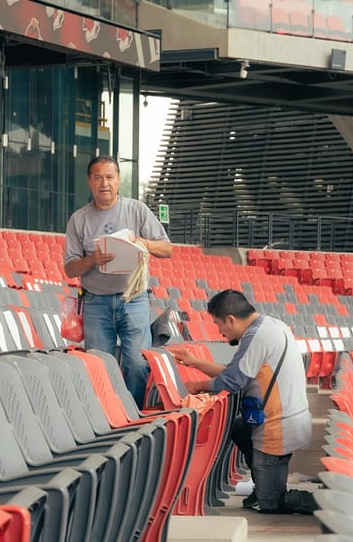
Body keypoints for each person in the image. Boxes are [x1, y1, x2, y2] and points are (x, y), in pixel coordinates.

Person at [171, 289, 318, 515]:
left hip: (278, 427)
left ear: (231, 319)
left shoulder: (256, 337)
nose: (220, 331)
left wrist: (197, 386)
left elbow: (231, 381)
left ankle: (324, 501)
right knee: (239, 427)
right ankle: (262, 481)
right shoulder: (270, 326)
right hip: (285, 419)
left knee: (270, 503)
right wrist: (195, 362)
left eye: (219, 324)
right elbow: (237, 372)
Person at [63, 155, 172, 408]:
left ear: (119, 180)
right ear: (89, 181)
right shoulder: (79, 219)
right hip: (95, 304)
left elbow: (167, 249)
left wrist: (144, 243)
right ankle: (107, 414)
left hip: (133, 300)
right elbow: (70, 268)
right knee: (99, 366)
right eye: (98, 177)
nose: (104, 183)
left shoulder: (137, 210)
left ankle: (132, 415)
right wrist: (93, 259)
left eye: (110, 177)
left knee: (137, 363)